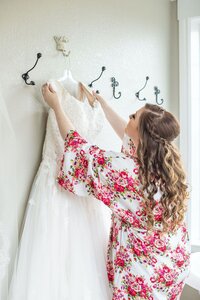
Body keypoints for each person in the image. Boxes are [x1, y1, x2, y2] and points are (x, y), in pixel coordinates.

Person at [42, 83, 190, 300]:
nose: (129, 117)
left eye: (133, 117)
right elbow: (128, 133)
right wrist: (103, 103)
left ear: (142, 134)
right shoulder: (163, 163)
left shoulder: (127, 171)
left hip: (144, 269)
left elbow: (80, 149)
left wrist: (56, 106)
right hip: (171, 261)